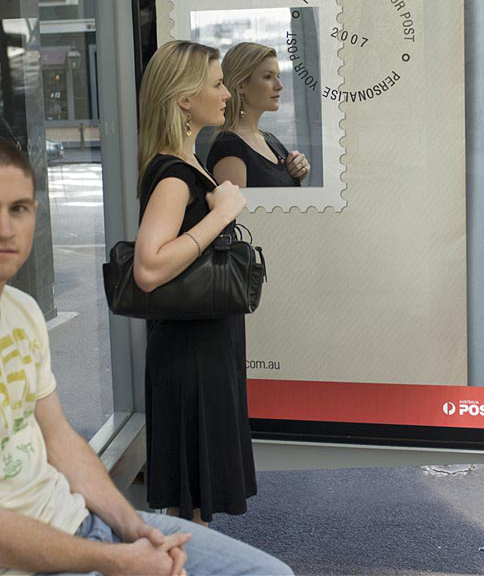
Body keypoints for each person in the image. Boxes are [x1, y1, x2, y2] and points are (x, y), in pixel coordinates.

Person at [0, 137, 293, 575]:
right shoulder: (174, 173)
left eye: (19, 209)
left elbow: (59, 439)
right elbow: (149, 269)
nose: (6, 229)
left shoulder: (22, 312)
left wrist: (133, 528)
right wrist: (116, 559)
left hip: (81, 525)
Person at [134, 41, 258, 526]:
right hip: (191, 353)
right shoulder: (174, 175)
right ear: (185, 98)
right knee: (192, 503)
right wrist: (221, 215)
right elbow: (149, 268)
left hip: (202, 343)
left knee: (197, 500)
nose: (226, 94)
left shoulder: (186, 165)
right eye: (217, 84)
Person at [207, 42, 311, 187]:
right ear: (241, 85)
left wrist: (299, 172)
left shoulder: (271, 140)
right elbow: (234, 202)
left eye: (278, 76)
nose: (279, 85)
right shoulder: (229, 146)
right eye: (268, 77)